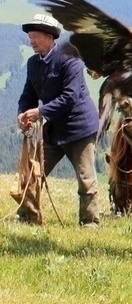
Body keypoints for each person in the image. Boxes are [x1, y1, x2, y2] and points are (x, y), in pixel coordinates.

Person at [15, 13, 102, 227]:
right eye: (30, 36)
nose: (31, 41)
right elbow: (29, 94)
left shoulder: (69, 59)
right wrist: (22, 112)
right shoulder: (33, 63)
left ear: (50, 37)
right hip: (54, 128)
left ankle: (90, 222)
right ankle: (27, 214)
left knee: (85, 177)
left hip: (79, 127)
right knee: (35, 171)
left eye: (35, 36)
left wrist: (40, 112)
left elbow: (70, 97)